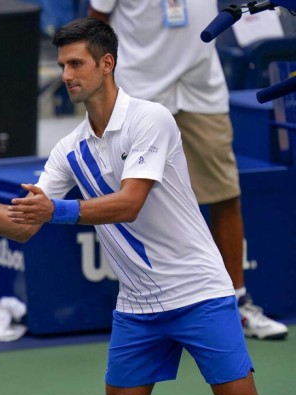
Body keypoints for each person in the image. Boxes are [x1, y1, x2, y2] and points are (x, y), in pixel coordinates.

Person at [0, 17, 260, 395]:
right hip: (137, 306)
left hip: (198, 293)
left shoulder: (149, 119)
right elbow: (22, 226)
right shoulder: (68, 150)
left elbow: (129, 204)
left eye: (76, 64)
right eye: (61, 66)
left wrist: (54, 210)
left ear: (106, 64)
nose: (65, 75)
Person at [87, 0, 288, 341]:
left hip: (201, 92)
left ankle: (237, 303)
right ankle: (141, 310)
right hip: (139, 95)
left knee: (225, 194)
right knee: (134, 202)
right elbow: (96, 26)